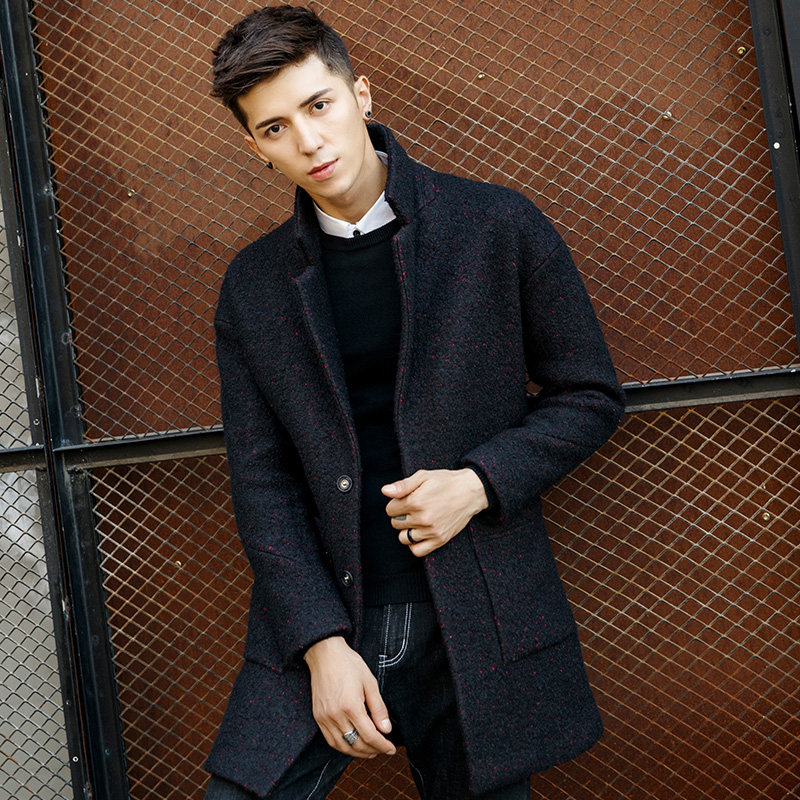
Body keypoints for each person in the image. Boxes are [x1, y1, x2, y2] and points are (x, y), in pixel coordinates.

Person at [204, 5, 625, 799]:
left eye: (319, 105)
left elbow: (589, 393)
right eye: (275, 128)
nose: (309, 141)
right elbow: (261, 480)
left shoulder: (496, 226)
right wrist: (321, 644)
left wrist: (479, 482)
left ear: (361, 94)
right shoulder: (254, 286)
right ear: (255, 145)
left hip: (481, 612)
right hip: (328, 615)